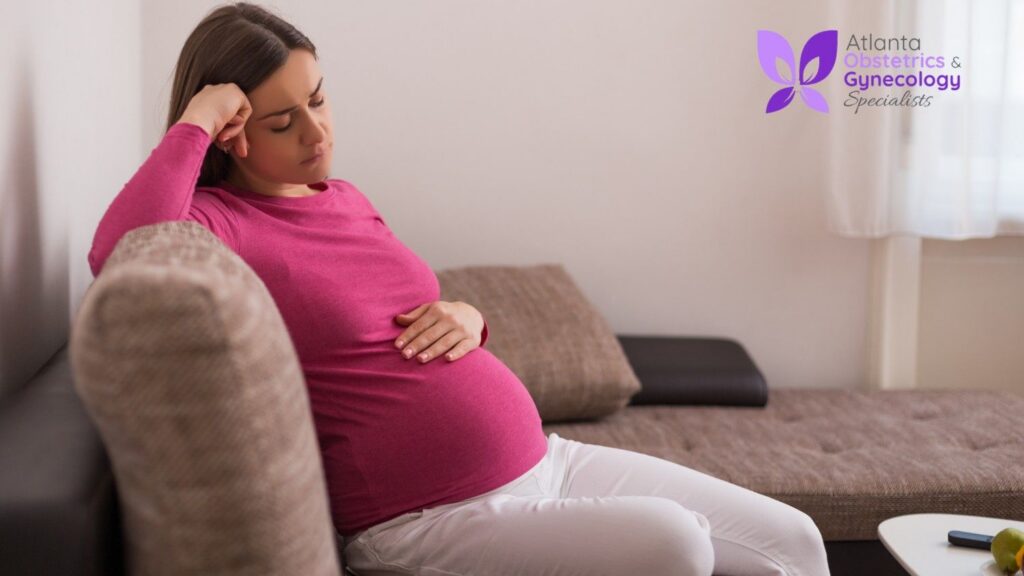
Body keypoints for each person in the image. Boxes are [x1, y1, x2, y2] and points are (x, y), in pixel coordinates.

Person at [88, 3, 832, 575]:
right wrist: (193, 119)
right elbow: (118, 252)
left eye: (319, 99)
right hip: (422, 517)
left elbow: (393, 315)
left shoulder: (342, 195)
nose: (318, 133)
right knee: (677, 546)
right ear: (232, 134)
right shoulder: (217, 223)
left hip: (546, 458)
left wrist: (469, 318)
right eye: (284, 121)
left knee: (794, 540)